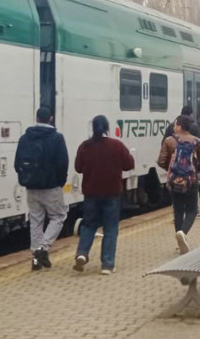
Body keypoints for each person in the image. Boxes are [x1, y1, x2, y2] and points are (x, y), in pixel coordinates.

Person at [73, 116, 134, 275]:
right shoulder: (116, 145)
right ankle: (107, 264)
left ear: (93, 128)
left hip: (91, 193)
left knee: (88, 225)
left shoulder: (85, 147)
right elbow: (129, 164)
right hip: (112, 193)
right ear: (107, 128)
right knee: (110, 228)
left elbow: (78, 168)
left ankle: (82, 253)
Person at [16, 106, 70, 271]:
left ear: (37, 118)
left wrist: (26, 178)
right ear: (51, 118)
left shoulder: (25, 138)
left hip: (31, 187)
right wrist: (59, 182)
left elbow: (17, 163)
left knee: (36, 219)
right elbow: (63, 163)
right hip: (51, 186)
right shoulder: (57, 138)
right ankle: (42, 249)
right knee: (58, 216)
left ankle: (35, 259)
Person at [158, 115, 200, 253]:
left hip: (174, 181)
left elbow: (162, 161)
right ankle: (183, 233)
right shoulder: (197, 141)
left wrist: (173, 172)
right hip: (191, 181)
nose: (174, 127)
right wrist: (192, 171)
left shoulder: (169, 141)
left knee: (178, 210)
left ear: (180, 126)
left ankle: (179, 238)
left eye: (175, 124)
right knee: (192, 210)